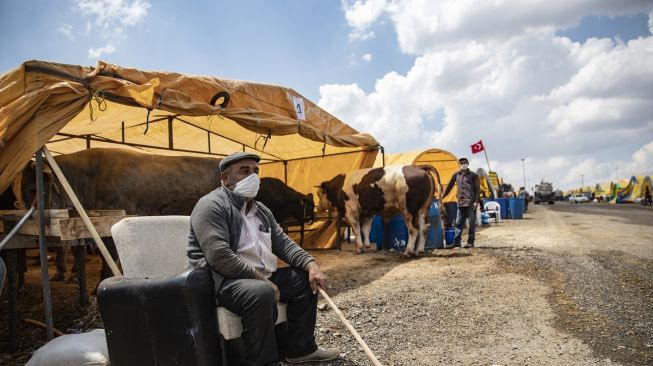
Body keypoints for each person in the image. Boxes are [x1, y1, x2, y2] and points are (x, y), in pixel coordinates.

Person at [186, 152, 339, 365]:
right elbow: (218, 255)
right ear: (225, 178)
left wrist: (311, 264)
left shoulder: (261, 210)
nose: (253, 177)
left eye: (256, 171)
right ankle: (263, 361)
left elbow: (283, 243)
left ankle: (301, 349)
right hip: (222, 280)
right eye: (244, 171)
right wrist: (261, 280)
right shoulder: (211, 205)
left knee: (304, 279)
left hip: (260, 276)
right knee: (261, 292)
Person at [441, 157, 481, 248]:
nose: (464, 164)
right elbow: (449, 186)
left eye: (465, 163)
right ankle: (457, 243)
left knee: (471, 223)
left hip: (471, 203)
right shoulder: (456, 175)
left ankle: (470, 242)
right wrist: (443, 195)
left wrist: (476, 201)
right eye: (462, 163)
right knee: (458, 223)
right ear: (459, 165)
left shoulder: (473, 175)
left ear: (468, 164)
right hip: (460, 203)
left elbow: (477, 189)